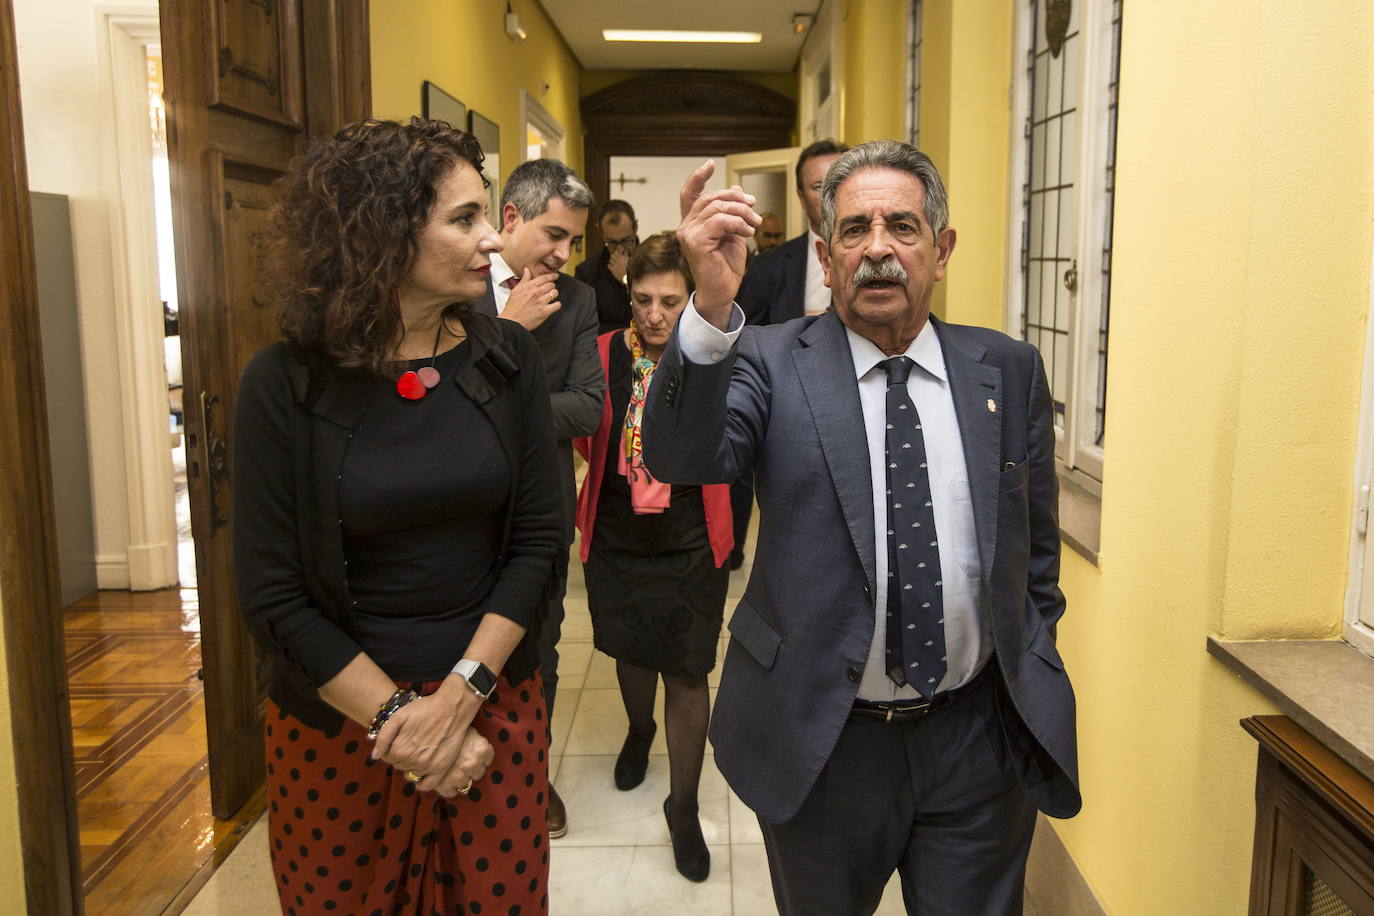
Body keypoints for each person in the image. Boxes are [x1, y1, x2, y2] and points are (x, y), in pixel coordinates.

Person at [644, 140, 1081, 914]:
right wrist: (708, 309)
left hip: (976, 742)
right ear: (825, 254)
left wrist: (1027, 661)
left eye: (902, 227)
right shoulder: (770, 360)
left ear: (940, 251)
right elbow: (683, 457)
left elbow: (1034, 555)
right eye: (854, 231)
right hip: (823, 741)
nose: (878, 247)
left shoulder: (1006, 370)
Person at [234, 117, 563, 915]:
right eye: (465, 218)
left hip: (492, 712)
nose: (494, 241)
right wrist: (401, 723)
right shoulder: (283, 385)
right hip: (339, 727)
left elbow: (540, 541)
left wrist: (458, 700)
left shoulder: (505, 357)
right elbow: (272, 595)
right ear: (383, 235)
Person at [572, 232, 733, 883]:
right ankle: (639, 732)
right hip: (615, 533)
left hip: (692, 534)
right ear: (629, 295)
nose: (656, 315)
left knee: (689, 670)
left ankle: (684, 805)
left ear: (691, 298)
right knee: (630, 649)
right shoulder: (602, 352)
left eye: (671, 300)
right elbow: (586, 434)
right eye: (643, 300)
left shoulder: (710, 354)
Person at [474, 158, 603, 839]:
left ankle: (529, 774)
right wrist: (510, 337)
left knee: (540, 650)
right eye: (555, 234)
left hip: (538, 510)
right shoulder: (453, 283)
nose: (563, 254)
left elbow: (585, 408)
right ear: (513, 218)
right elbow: (428, 400)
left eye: (574, 242)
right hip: (456, 515)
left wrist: (488, 396)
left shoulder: (577, 300)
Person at [736, 139, 849, 326]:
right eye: (819, 187)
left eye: (840, 182)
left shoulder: (880, 253)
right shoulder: (767, 266)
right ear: (802, 198)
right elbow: (747, 338)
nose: (831, 194)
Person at [575, 199, 638, 332]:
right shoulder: (586, 272)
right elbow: (585, 326)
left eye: (626, 240)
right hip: (606, 348)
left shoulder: (652, 263)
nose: (620, 249)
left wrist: (627, 279)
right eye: (612, 242)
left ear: (635, 228)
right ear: (603, 235)